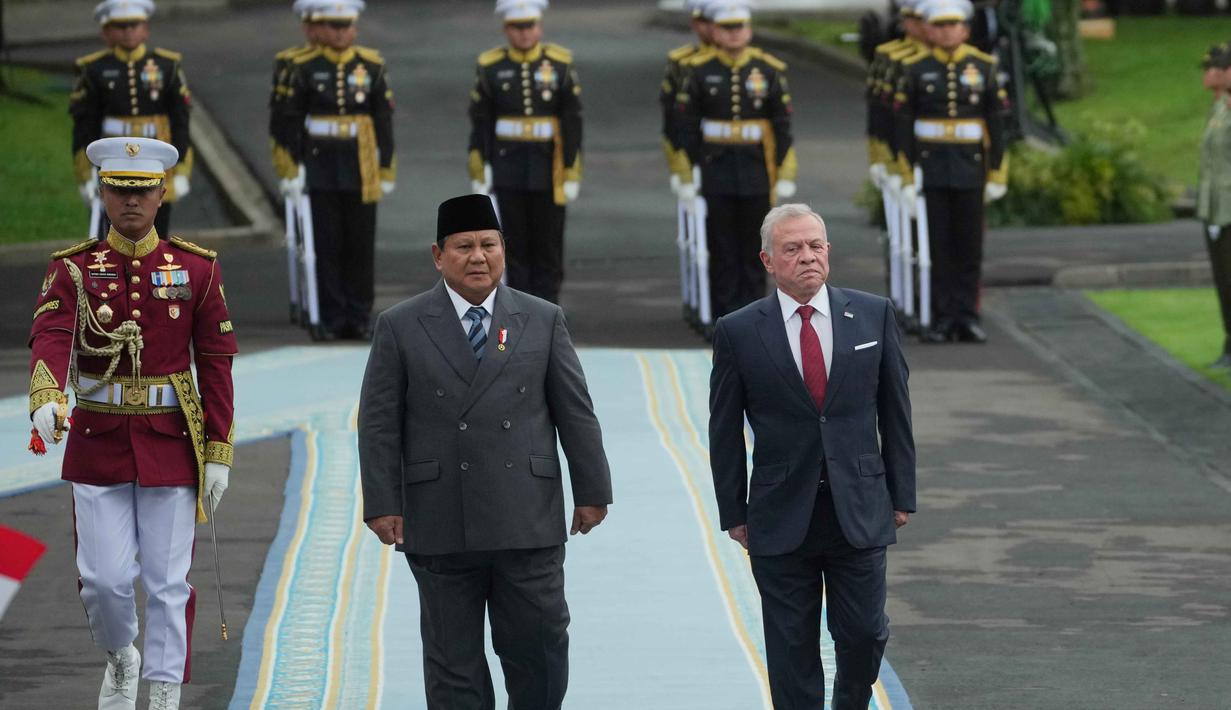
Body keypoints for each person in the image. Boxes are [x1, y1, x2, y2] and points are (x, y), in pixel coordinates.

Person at [357, 194, 612, 710]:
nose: (479, 257)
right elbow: (380, 421)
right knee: (453, 664)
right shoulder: (402, 325)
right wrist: (383, 501)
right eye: (465, 246)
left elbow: (575, 411)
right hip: (440, 517)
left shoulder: (541, 319)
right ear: (438, 254)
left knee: (539, 646)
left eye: (489, 245)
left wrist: (592, 491)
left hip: (527, 516)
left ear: (504, 250)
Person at [27, 137, 237, 710]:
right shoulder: (73, 268)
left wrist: (218, 450)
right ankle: (122, 658)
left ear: (162, 193)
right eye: (119, 190)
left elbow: (216, 364)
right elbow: (51, 333)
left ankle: (164, 691)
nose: (130, 202)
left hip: (171, 441)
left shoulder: (196, 268)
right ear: (102, 191)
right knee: (104, 580)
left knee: (168, 584)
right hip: (98, 439)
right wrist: (45, 391)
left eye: (142, 190)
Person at [708, 203, 915, 710]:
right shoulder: (738, 330)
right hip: (780, 512)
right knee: (791, 648)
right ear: (768, 260)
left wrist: (902, 494)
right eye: (792, 248)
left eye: (815, 245)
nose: (807, 257)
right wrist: (734, 512)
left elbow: (896, 411)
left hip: (860, 506)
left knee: (865, 633)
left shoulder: (872, 313)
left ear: (829, 251)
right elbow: (724, 429)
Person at [894, 0, 1009, 343]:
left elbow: (996, 126)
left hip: (970, 170)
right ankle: (943, 317)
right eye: (940, 25)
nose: (946, 31)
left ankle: (968, 316)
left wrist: (997, 173)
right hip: (931, 170)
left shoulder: (984, 67)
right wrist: (905, 174)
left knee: (969, 248)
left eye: (953, 25)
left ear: (965, 30)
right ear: (929, 30)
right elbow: (904, 125)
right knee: (938, 248)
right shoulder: (914, 69)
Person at [678, 0, 797, 321]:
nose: (734, 34)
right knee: (722, 246)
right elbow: (687, 126)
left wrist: (783, 168)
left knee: (755, 247)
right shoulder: (700, 71)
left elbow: (781, 124)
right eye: (727, 28)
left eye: (739, 27)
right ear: (714, 31)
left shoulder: (767, 70)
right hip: (716, 168)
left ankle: (755, 315)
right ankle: (725, 314)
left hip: (756, 168)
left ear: (749, 30)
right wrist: (688, 172)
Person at [283, 0, 395, 341]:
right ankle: (331, 314)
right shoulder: (304, 67)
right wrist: (293, 167)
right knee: (327, 244)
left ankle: (359, 314)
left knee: (360, 243)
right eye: (334, 26)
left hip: (360, 163)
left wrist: (385, 166)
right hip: (321, 163)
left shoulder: (371, 66)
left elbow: (383, 121)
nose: (341, 32)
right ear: (322, 28)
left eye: (346, 26)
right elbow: (291, 122)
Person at [468, 0, 583, 305]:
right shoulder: (491, 67)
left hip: (549, 166)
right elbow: (481, 122)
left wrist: (571, 168)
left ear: (539, 27)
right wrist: (481, 166)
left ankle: (548, 307)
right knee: (513, 242)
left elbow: (572, 121)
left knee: (548, 243)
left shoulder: (559, 64)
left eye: (530, 26)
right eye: (518, 27)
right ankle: (519, 307)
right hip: (509, 165)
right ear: (507, 30)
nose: (525, 33)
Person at [71, 0, 193, 239]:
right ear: (107, 32)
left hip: (156, 160)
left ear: (145, 29)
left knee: (158, 235)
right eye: (120, 26)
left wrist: (181, 170)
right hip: (114, 159)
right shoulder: (94, 69)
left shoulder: (166, 66)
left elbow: (180, 120)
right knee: (109, 236)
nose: (128, 31)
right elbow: (85, 125)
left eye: (134, 25)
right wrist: (85, 174)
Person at [1197, 42, 1231, 369]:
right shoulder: (1218, 107)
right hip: (1216, 209)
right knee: (1223, 279)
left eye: (1214, 68)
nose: (1208, 75)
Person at [269, 0, 323, 191]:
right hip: (304, 148)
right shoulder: (291, 63)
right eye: (317, 25)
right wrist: (289, 164)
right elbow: (281, 119)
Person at [660, 0, 712, 194]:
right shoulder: (683, 62)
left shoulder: (757, 66)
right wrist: (679, 166)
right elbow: (672, 119)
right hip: (696, 153)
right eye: (704, 21)